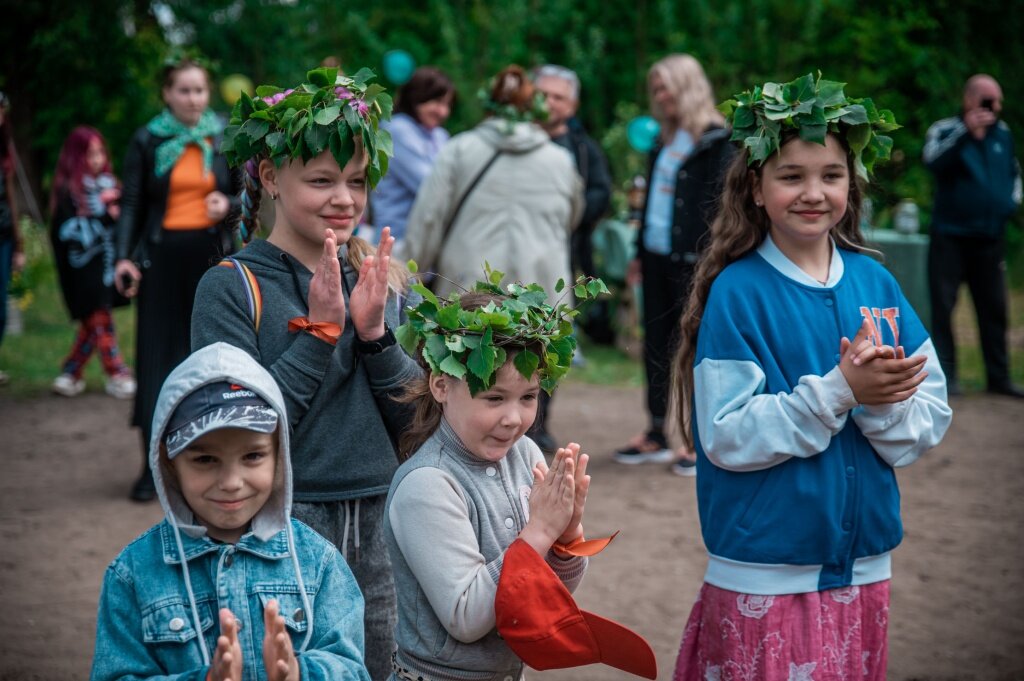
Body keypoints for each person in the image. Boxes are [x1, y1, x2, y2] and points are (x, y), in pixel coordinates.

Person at [669, 74, 953, 680]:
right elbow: (724, 435)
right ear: (755, 186)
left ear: (853, 183)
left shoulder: (878, 286)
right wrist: (838, 392)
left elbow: (930, 406)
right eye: (791, 176)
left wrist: (876, 404)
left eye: (831, 175)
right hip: (764, 579)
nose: (813, 192)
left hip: (867, 572)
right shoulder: (739, 293)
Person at [191, 65, 419, 681]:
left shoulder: (382, 280)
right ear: (269, 177)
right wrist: (319, 335)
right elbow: (241, 435)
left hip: (380, 524)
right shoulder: (230, 288)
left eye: (355, 180)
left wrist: (373, 336)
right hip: (282, 527)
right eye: (321, 180)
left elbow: (414, 428)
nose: (344, 199)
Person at [90, 342, 371, 681]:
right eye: (206, 459)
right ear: (167, 462)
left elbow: (352, 669)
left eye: (252, 456)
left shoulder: (319, 563)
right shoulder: (131, 575)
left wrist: (299, 673)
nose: (231, 482)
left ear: (279, 454)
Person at [383, 280, 594, 681]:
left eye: (528, 397)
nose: (513, 418)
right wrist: (540, 532)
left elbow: (548, 596)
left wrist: (566, 539)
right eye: (494, 398)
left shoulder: (527, 456)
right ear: (441, 385)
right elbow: (466, 616)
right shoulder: (427, 485)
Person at [402, 64, 583, 454]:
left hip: (469, 287)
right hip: (540, 291)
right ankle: (529, 451)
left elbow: (429, 218)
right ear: (532, 107)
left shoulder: (460, 150)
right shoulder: (559, 160)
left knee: (469, 382)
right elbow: (574, 216)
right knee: (532, 374)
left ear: (488, 105)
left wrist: (408, 271)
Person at [114, 55, 241, 502]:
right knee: (156, 358)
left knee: (207, 356)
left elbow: (245, 193)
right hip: (161, 260)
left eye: (200, 90)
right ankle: (152, 467)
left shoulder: (222, 136)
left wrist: (227, 204)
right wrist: (122, 259)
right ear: (167, 94)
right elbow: (130, 203)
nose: (193, 98)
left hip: (211, 261)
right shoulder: (148, 140)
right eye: (184, 90)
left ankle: (204, 459)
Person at [615, 54, 736, 476]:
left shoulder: (717, 139)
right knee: (656, 344)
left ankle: (697, 439)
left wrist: (716, 259)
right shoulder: (662, 141)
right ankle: (656, 431)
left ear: (688, 86)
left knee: (696, 348)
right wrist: (637, 254)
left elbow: (721, 207)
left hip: (696, 260)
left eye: (666, 86)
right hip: (655, 256)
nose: (660, 96)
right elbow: (650, 203)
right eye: (656, 89)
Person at [924, 73, 1023, 398]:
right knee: (944, 308)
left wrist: (1008, 203)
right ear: (970, 100)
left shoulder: (1003, 134)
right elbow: (932, 161)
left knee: (994, 309)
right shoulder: (946, 129)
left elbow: (1013, 173)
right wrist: (968, 132)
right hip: (950, 238)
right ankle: (946, 378)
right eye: (988, 100)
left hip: (989, 239)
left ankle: (999, 379)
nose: (995, 107)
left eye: (997, 101)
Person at [49, 126, 135, 399]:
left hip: (106, 266)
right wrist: (103, 217)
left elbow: (125, 221)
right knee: (99, 317)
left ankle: (71, 372)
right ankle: (117, 371)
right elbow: (65, 232)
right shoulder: (68, 193)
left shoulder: (112, 186)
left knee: (93, 322)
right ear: (75, 158)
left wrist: (117, 209)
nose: (96, 159)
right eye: (89, 154)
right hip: (82, 270)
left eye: (100, 152)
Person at [532, 64, 613, 342]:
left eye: (558, 97)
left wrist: (570, 217)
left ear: (573, 105)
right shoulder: (508, 141)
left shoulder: (583, 148)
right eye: (542, 94)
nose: (549, 103)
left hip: (568, 246)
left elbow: (601, 192)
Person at [369, 66, 454, 245]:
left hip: (427, 243)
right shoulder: (398, 130)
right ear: (417, 97)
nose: (443, 112)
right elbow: (431, 185)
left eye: (447, 104)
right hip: (397, 241)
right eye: (437, 102)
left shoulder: (439, 135)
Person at [0, 91, 25, 386]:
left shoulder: (5, 150)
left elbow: (12, 199)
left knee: (1, 308)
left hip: (4, 235)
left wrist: (19, 244)